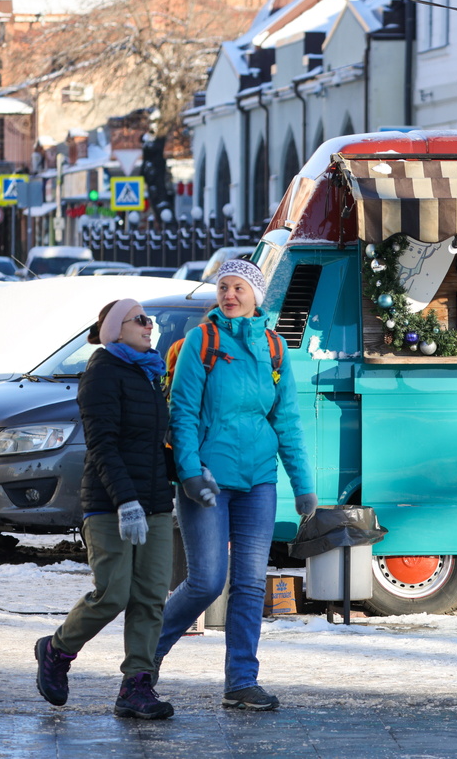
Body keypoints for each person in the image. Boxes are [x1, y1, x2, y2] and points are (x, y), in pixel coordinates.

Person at [155, 258, 315, 711]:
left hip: (259, 482)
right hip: (208, 480)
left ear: (255, 296)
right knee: (206, 582)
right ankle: (146, 661)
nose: (228, 294)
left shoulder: (274, 347)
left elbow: (287, 422)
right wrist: (189, 472)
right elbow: (182, 412)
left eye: (238, 287)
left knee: (248, 585)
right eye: (223, 286)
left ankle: (241, 682)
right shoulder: (200, 342)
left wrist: (302, 485)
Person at [35, 299, 176, 720]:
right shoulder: (102, 372)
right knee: (112, 593)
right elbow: (103, 445)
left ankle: (136, 687)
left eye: (149, 320)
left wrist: (188, 474)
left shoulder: (149, 373)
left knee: (151, 598)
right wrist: (125, 501)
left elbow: (151, 446)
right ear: (116, 329)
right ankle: (56, 649)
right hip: (110, 503)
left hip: (154, 501)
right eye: (141, 320)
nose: (150, 326)